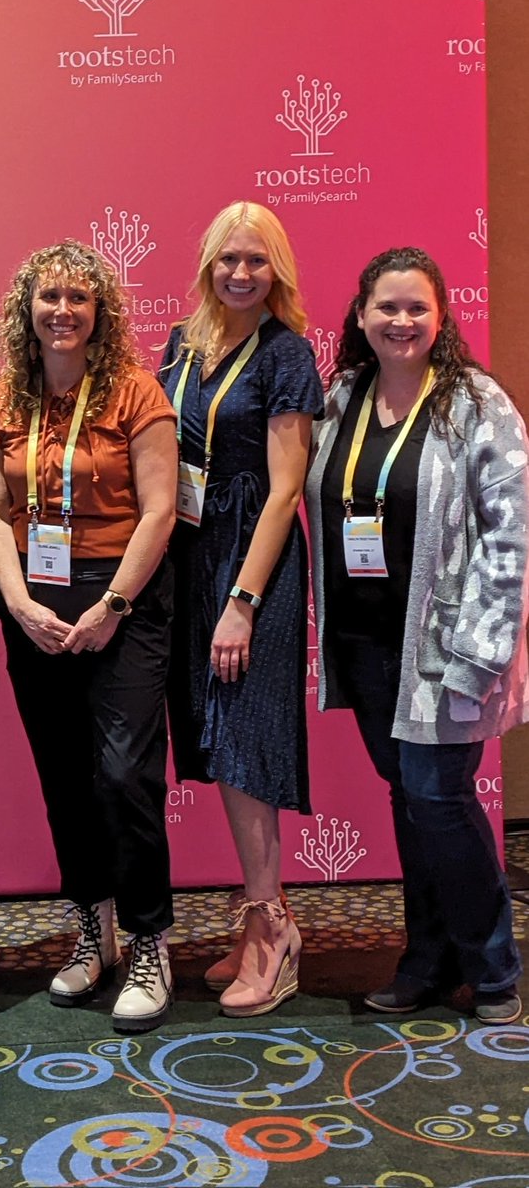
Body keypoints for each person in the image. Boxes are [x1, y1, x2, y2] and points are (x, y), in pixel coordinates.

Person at [306, 247, 527, 1025]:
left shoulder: (475, 404)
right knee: (409, 798)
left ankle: (493, 965)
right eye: (385, 308)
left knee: (437, 797)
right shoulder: (340, 398)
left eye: (415, 309)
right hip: (366, 643)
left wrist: (485, 650)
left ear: (440, 318)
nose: (400, 322)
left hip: (446, 645)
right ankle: (427, 961)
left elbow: (510, 534)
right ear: (359, 315)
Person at [0, 241, 178, 1032]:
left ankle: (150, 938)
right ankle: (91, 931)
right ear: (27, 310)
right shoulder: (1, 401)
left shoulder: (133, 393)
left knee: (123, 774)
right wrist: (19, 602)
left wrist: (113, 607)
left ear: (100, 314)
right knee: (64, 775)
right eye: (48, 296)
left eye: (78, 298)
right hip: (33, 602)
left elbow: (159, 510)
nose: (62, 310)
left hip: (120, 601)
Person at [159, 201, 322, 1018]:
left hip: (250, 567)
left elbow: (286, 486)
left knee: (247, 739)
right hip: (189, 559)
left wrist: (243, 603)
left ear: (276, 271)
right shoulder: (181, 345)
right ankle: (264, 912)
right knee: (216, 742)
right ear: (206, 265)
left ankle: (271, 933)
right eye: (228, 258)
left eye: (256, 261)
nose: (240, 273)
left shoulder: (287, 355)